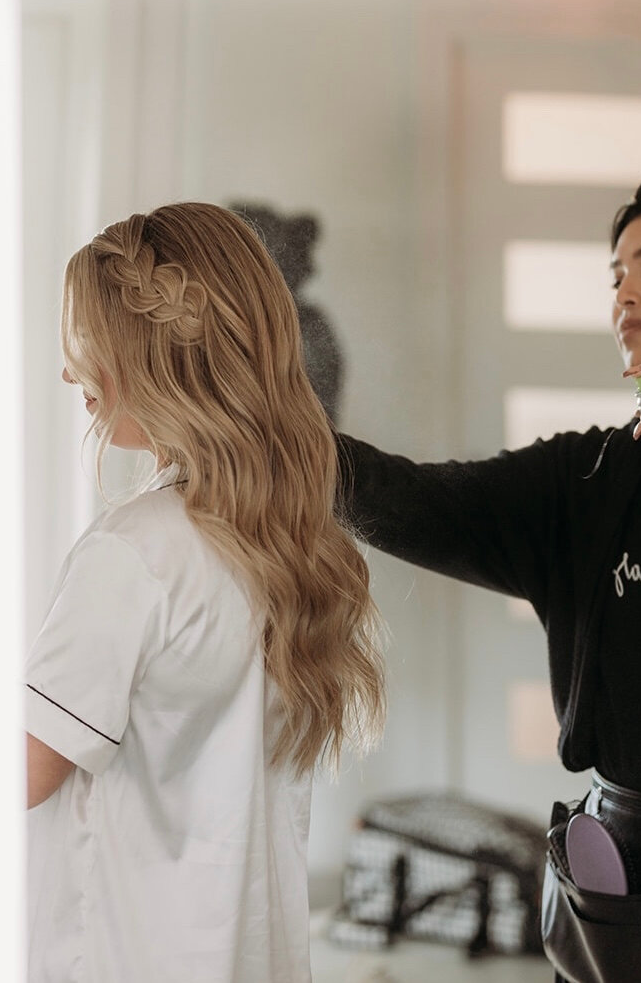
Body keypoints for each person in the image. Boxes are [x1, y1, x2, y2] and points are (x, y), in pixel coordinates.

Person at [338, 174, 641, 981]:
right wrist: (246, 428)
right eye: (614, 276)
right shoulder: (588, 479)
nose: (623, 294)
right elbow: (403, 498)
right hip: (640, 906)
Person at [24, 202, 387, 983]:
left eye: (84, 338)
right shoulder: (288, 545)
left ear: (150, 351)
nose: (67, 369)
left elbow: (24, 774)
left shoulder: (133, 553)